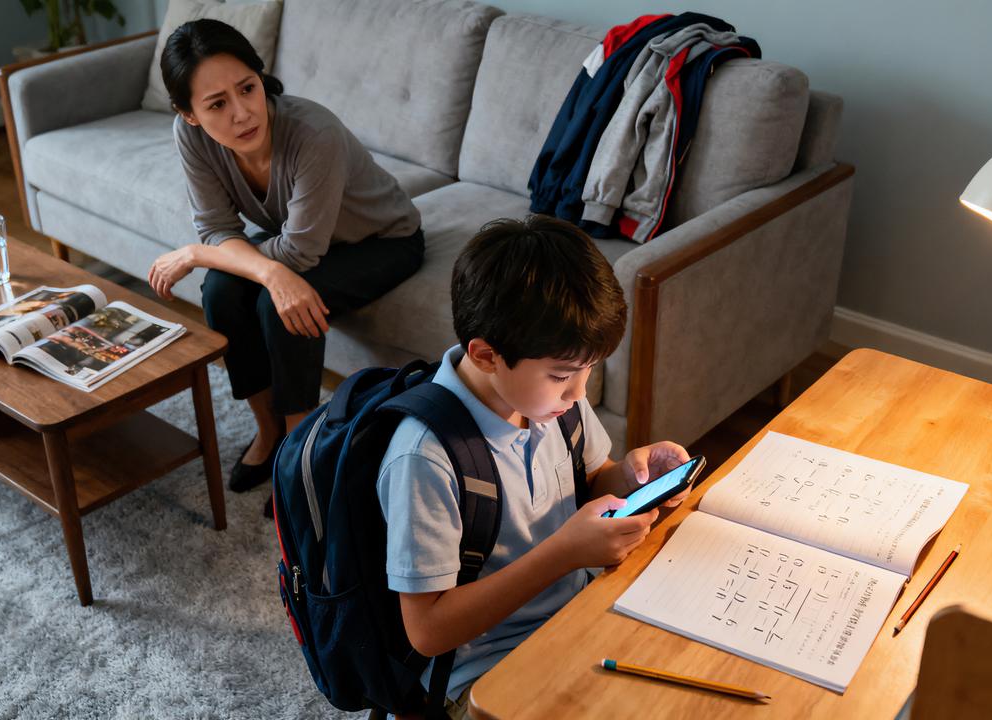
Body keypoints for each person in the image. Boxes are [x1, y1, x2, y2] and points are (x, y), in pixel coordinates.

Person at [377, 216, 690, 718]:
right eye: (563, 374)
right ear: (485, 356)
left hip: (575, 611)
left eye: (588, 369)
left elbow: (589, 482)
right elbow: (428, 631)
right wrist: (563, 554)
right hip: (480, 674)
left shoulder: (551, 403)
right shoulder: (426, 457)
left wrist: (634, 478)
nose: (579, 392)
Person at [147, 19, 424, 501]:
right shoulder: (189, 136)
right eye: (217, 104)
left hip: (382, 240)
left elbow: (298, 252)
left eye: (247, 89)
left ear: (260, 77)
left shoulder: (313, 133)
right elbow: (218, 227)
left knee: (279, 304)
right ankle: (268, 430)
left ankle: (302, 454)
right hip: (294, 241)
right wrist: (264, 269)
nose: (242, 113)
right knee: (219, 289)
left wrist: (197, 254)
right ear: (189, 114)